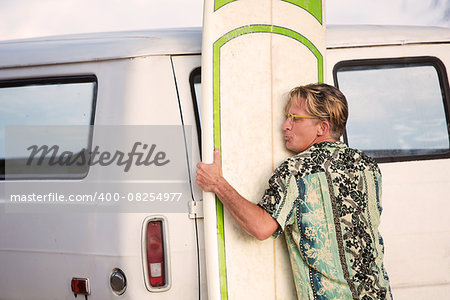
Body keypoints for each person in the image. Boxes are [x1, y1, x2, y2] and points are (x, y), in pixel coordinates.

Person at [196, 83, 392, 299]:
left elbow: (261, 227)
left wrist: (217, 184)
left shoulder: (296, 170)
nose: (285, 126)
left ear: (322, 128)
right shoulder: (368, 166)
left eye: (295, 118)